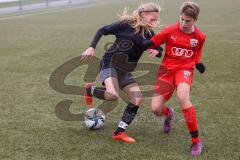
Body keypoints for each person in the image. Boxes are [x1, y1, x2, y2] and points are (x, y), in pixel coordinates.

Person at [81, 2, 162, 143]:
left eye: (156, 19)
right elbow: (102, 29)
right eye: (152, 19)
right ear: (143, 15)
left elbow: (158, 49)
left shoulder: (149, 33)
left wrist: (157, 51)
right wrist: (91, 47)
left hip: (126, 70)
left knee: (137, 98)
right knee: (112, 95)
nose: (155, 22)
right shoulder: (126, 24)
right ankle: (90, 90)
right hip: (110, 63)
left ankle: (119, 132)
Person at [144, 1, 206, 156]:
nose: (184, 23)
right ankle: (168, 113)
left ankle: (196, 141)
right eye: (182, 19)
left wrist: (198, 63)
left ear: (195, 19)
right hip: (166, 72)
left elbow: (197, 50)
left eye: (188, 21)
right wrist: (145, 46)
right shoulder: (169, 30)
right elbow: (153, 42)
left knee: (183, 96)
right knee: (155, 109)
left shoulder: (199, 37)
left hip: (184, 71)